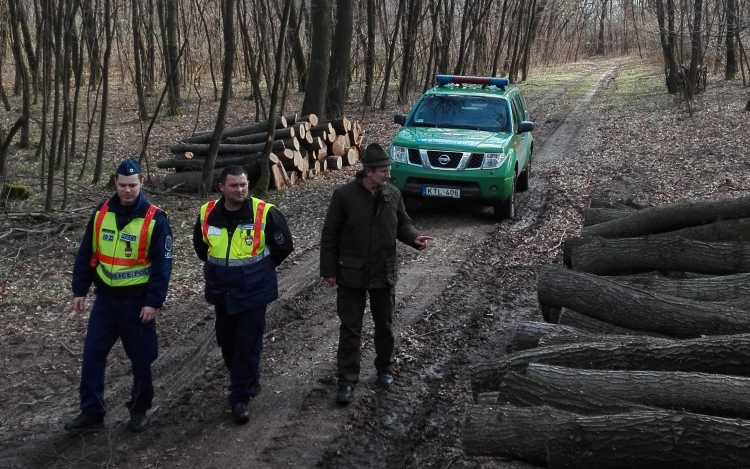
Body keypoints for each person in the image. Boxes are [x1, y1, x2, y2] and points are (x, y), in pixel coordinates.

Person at [65, 158, 173, 433]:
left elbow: (163, 266)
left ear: (142, 183)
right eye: (123, 185)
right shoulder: (101, 214)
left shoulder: (155, 220)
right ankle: (91, 413)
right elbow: (86, 253)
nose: (127, 190)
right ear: (115, 182)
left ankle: (138, 409)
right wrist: (80, 289)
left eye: (132, 185)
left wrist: (153, 302)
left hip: (138, 304)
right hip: (105, 301)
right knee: (92, 356)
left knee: (141, 360)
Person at [320, 143, 432, 405]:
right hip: (351, 274)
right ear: (368, 171)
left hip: (383, 271)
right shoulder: (343, 196)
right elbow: (329, 235)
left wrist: (414, 237)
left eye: (388, 170)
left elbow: (402, 223)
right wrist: (328, 270)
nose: (387, 175)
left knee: (385, 326)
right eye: (383, 171)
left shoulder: (392, 194)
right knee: (350, 329)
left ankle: (384, 369)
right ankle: (346, 381)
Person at [193, 165, 293, 424]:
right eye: (234, 185)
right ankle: (249, 378)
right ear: (221, 188)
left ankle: (240, 397)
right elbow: (202, 249)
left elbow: (284, 246)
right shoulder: (206, 213)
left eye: (243, 185)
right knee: (227, 342)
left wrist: (258, 272)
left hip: (254, 293)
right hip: (222, 292)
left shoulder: (265, 213)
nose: (240, 190)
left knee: (246, 344)